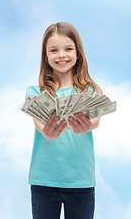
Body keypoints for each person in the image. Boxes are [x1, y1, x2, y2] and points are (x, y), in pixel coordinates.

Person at [25, 22, 102, 219]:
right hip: (44, 180)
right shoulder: (36, 92)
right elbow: (38, 122)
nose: (61, 55)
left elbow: (96, 120)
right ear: (45, 56)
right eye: (54, 50)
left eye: (68, 48)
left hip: (81, 182)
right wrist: (46, 131)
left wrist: (87, 125)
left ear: (78, 54)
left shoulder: (90, 91)